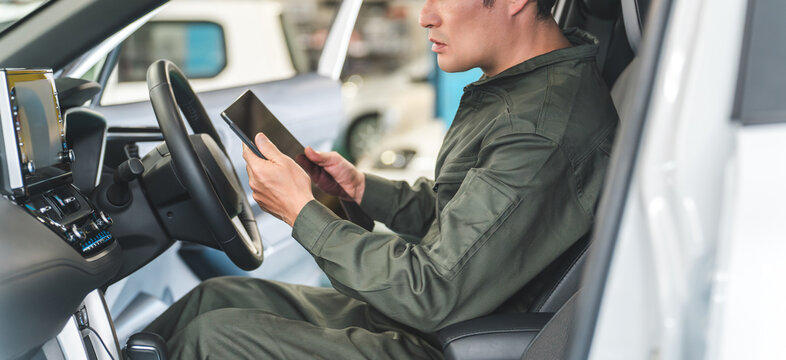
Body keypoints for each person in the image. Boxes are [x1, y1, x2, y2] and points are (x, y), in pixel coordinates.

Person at [145, 0, 619, 358]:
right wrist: (362, 190)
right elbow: (467, 220)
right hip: (439, 315)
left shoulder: (538, 130)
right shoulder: (523, 89)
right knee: (213, 297)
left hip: (445, 339)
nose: (425, 16)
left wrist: (302, 212)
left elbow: (432, 291)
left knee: (211, 340)